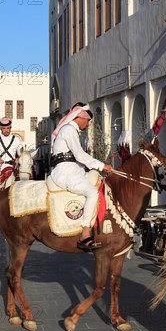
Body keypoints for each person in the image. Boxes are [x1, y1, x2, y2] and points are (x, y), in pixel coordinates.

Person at [50, 102, 113, 251]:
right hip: (65, 172)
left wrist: (99, 170)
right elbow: (79, 155)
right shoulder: (69, 130)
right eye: (88, 120)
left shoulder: (72, 131)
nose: (88, 123)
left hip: (73, 170)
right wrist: (101, 165)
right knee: (92, 193)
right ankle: (85, 233)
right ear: (81, 117)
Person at [0, 117, 23, 193]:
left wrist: (19, 159)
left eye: (8, 128)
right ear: (1, 129)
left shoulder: (16, 140)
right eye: (4, 128)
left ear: (10, 128)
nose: (6, 130)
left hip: (11, 167)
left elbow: (21, 154)